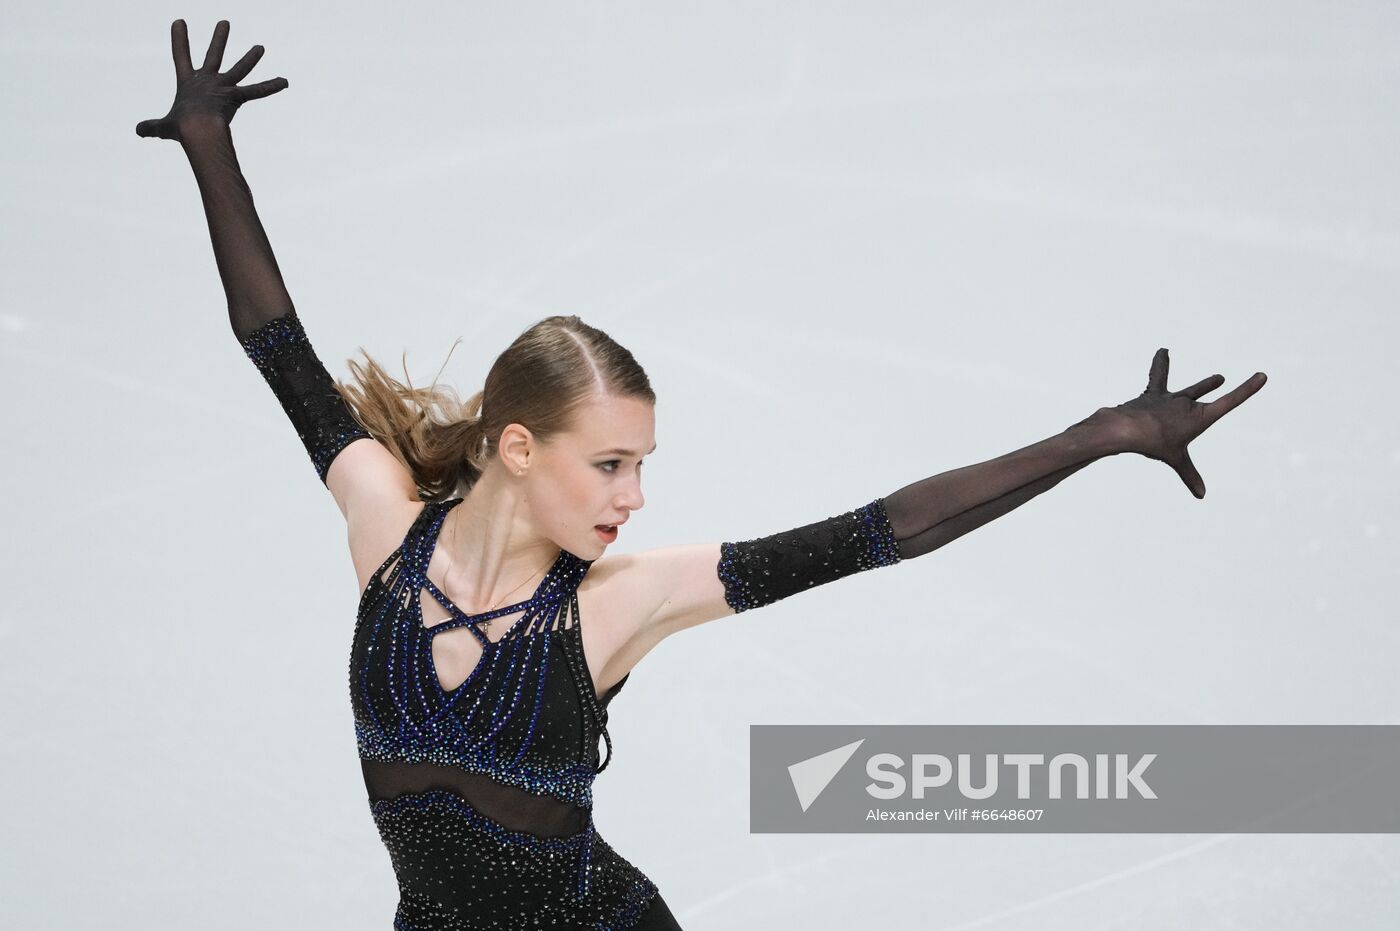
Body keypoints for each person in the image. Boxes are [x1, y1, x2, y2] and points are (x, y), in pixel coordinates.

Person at [136, 20, 1268, 930]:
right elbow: (276, 344)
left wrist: (1092, 437)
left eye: (642, 465)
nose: (634, 497)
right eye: (612, 463)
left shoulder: (622, 600)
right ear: (518, 447)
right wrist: (209, 144)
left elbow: (880, 531)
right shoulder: (383, 528)